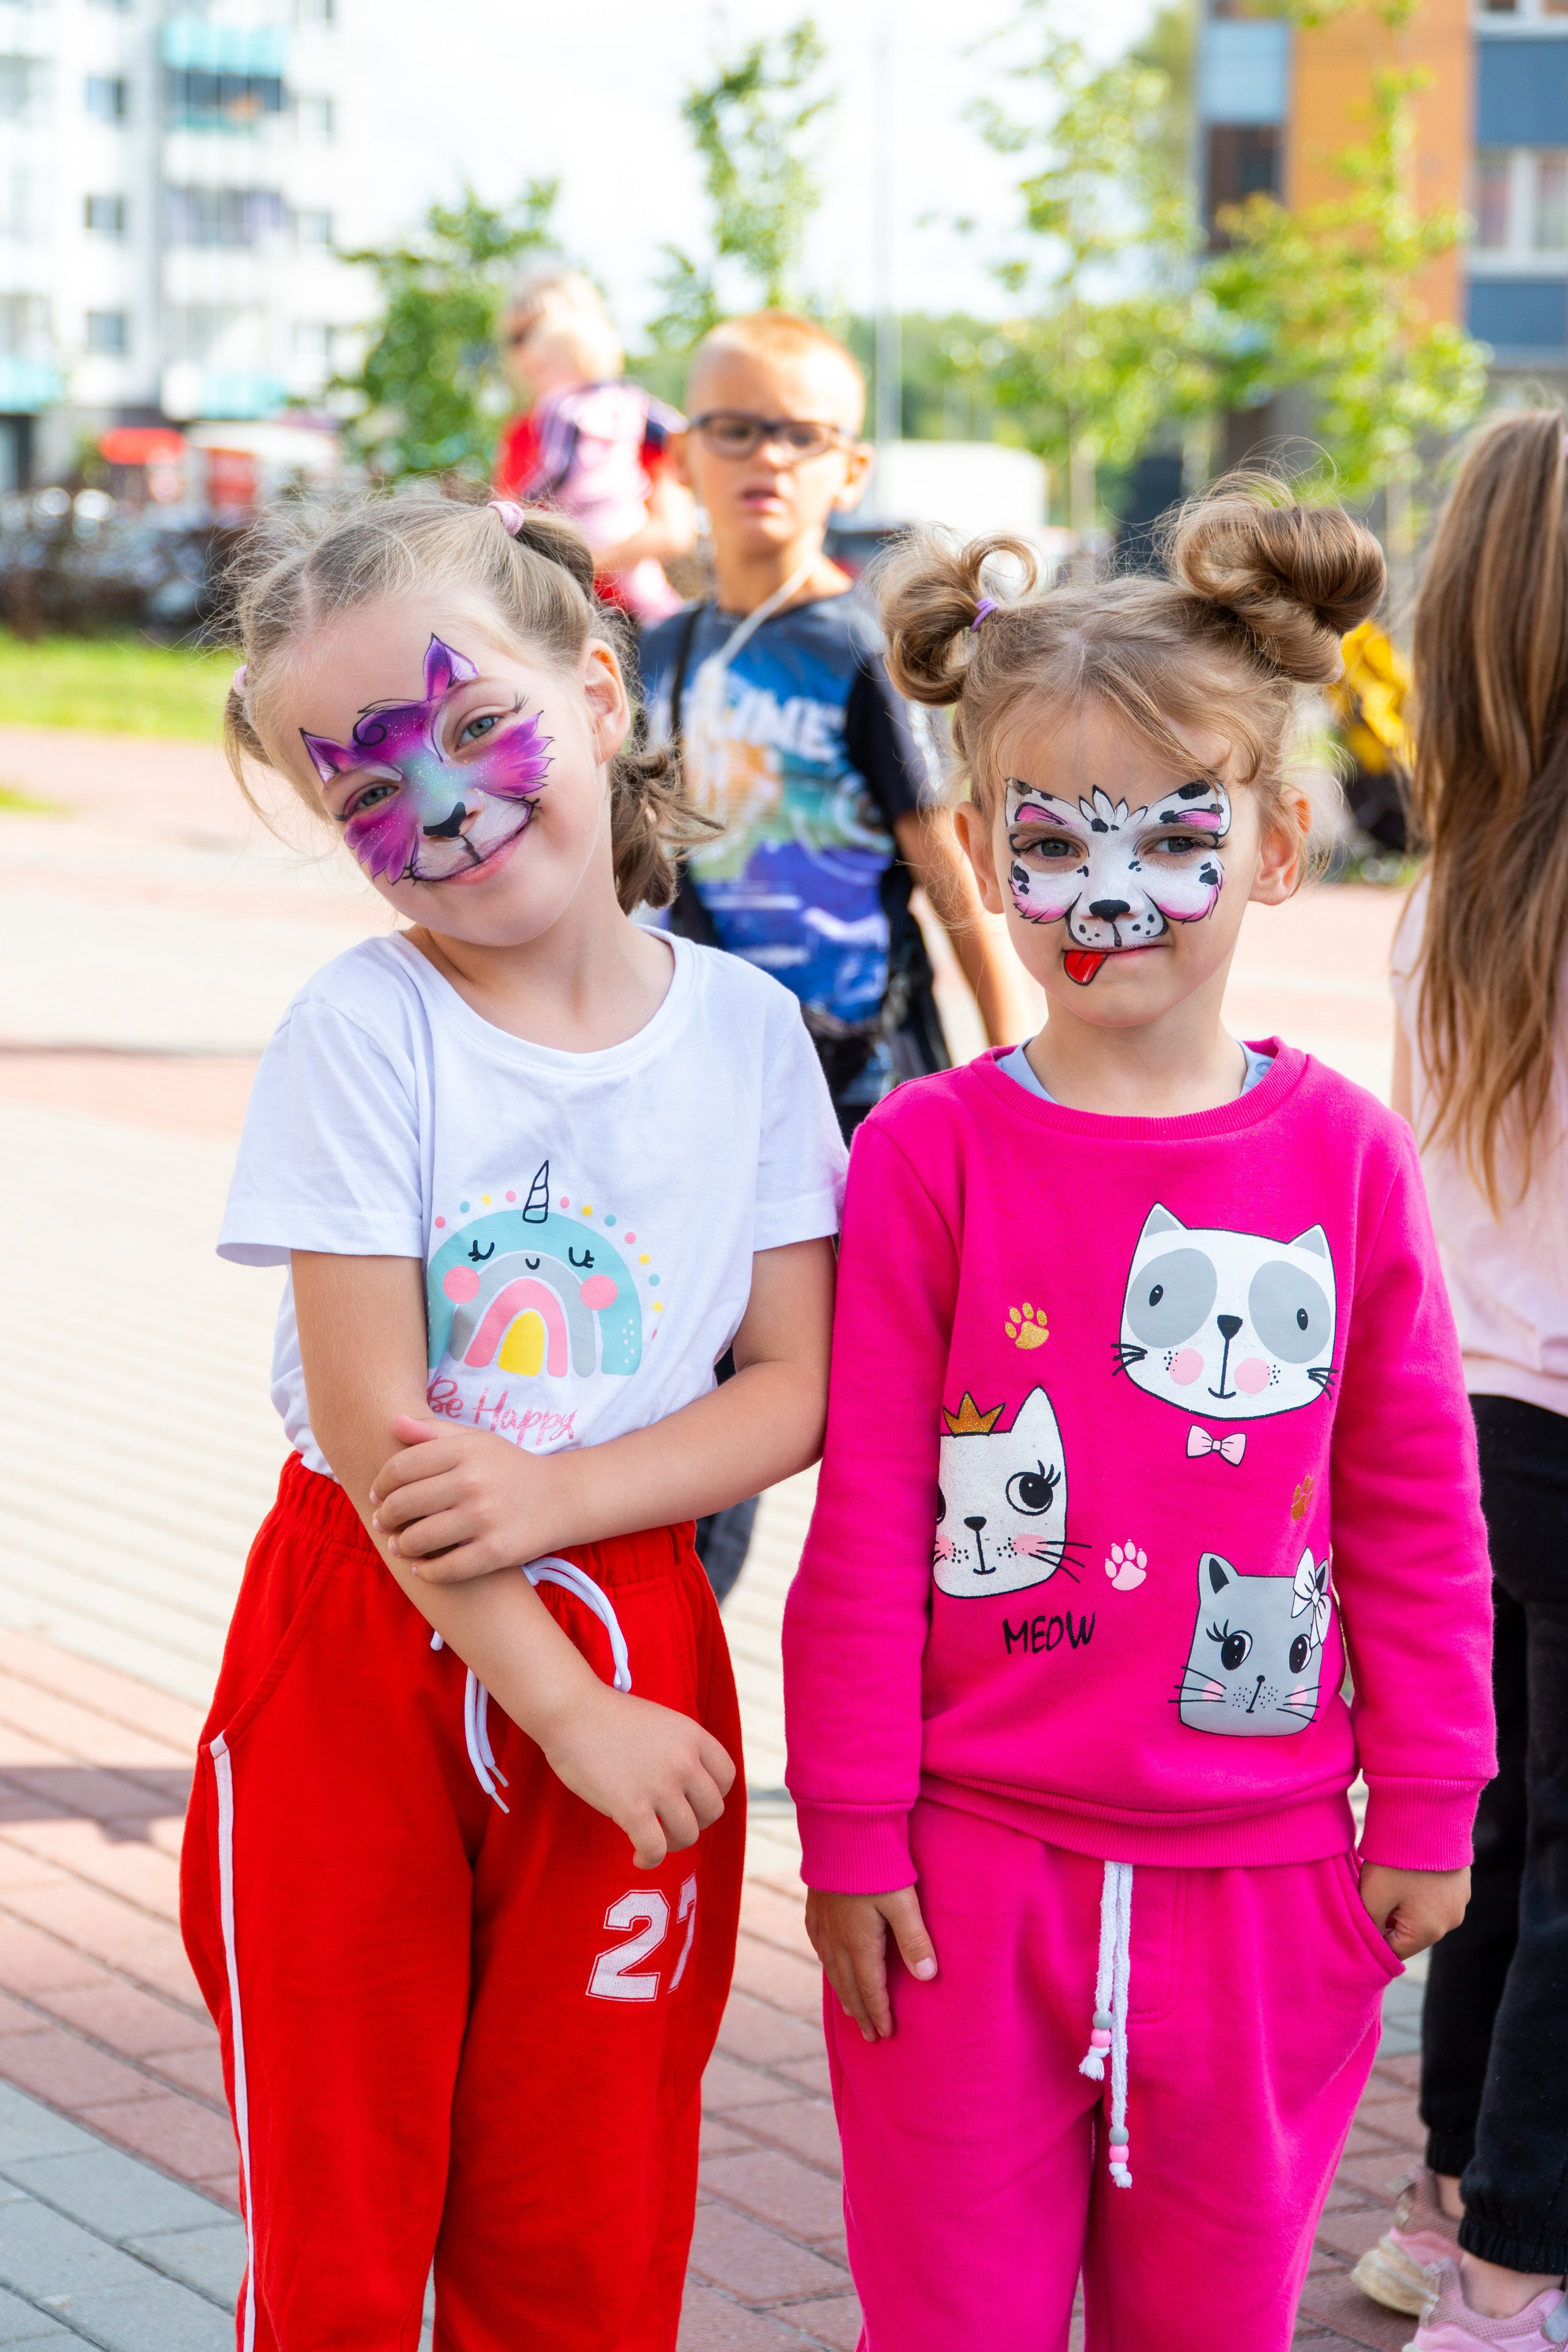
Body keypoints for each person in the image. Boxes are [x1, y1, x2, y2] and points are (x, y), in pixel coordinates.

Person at [780, 481, 1499, 2352]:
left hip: (1266, 1892)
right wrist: (852, 1828)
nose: (1106, 893)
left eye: (1169, 834)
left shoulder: (1340, 1152)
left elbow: (1414, 1498)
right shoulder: (925, 1151)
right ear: (990, 845)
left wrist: (1427, 1787)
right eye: (1050, 836)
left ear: (1271, 845)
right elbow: (866, 1514)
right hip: (959, 1882)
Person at [178, 492, 845, 2350]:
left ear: (602, 692)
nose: (447, 811)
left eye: (480, 728)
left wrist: (567, 1505)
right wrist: (547, 1695)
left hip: (634, 1631)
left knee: (585, 2195)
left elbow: (794, 1385)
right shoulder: (362, 1028)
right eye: (367, 789)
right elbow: (391, 1442)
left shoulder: (748, 1033)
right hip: (363, 1647)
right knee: (342, 2197)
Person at [641, 311, 1028, 1604]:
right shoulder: (656, 653)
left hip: (868, 1092)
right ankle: (669, 1646)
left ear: (843, 469)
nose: (764, 456)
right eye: (732, 427)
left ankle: (922, 1665)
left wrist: (1014, 1063)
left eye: (797, 434)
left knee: (886, 1402)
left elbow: (953, 883)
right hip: (707, 1094)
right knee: (711, 1389)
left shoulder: (860, 652)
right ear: (681, 453)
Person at [1349, 409, 1568, 2352]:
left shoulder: (1452, 899)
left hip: (1470, 1426)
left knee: (1505, 1843)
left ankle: (1434, 2208)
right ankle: (1510, 2272)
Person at [494, 265, 695, 626]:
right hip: (549, 617)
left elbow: (675, 532)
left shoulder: (628, 419)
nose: (528, 350)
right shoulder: (521, 432)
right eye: (516, 338)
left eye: (540, 330)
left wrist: (583, 560)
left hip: (626, 616)